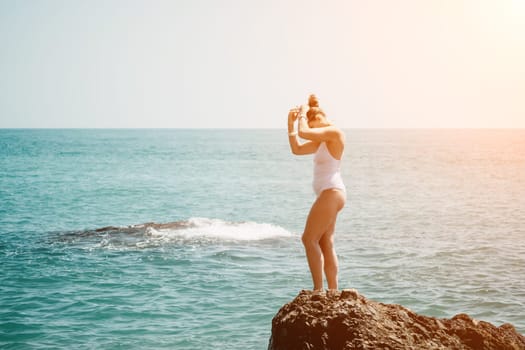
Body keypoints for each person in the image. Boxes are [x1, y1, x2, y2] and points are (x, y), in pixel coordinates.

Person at [287, 94, 346, 292]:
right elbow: (296, 148)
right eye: (314, 127)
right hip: (329, 193)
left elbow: (303, 132)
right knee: (325, 241)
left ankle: (318, 291)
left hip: (332, 191)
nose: (316, 129)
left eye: (317, 123)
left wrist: (303, 114)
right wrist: (290, 124)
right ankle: (333, 291)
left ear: (325, 117)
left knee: (308, 239)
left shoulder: (335, 133)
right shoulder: (322, 141)